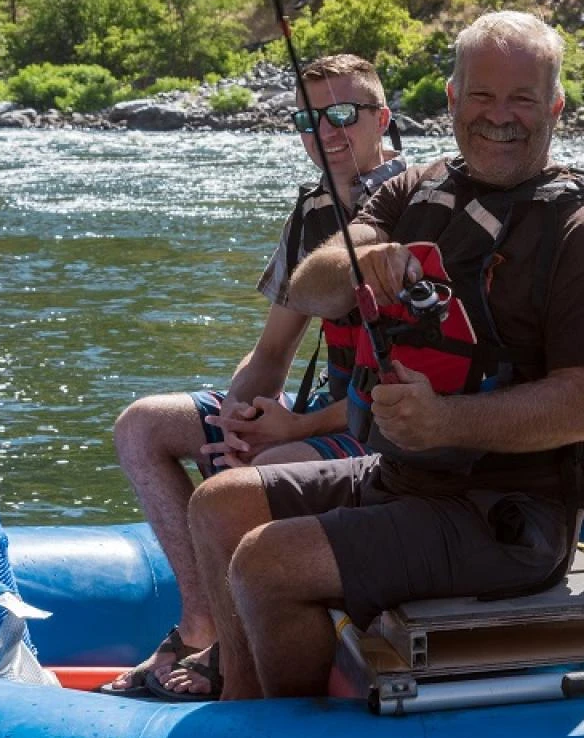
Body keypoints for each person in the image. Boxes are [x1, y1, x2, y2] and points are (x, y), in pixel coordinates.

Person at [181, 10, 584, 700]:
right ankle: (240, 709)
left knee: (270, 562)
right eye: (482, 96)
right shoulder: (414, 191)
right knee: (219, 506)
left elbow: (578, 409)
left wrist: (449, 422)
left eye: (522, 98)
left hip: (509, 517)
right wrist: (363, 261)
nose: (500, 117)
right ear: (453, 100)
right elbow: (312, 288)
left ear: (555, 106)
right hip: (403, 477)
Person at [102, 53, 407, 697]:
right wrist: (241, 418)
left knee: (252, 478)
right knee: (143, 427)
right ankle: (201, 626)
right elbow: (271, 354)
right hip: (318, 412)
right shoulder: (312, 215)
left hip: (379, 429)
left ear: (382, 118)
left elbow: (399, 388)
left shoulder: (418, 208)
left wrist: (290, 427)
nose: (326, 131)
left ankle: (236, 670)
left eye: (343, 114)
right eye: (310, 118)